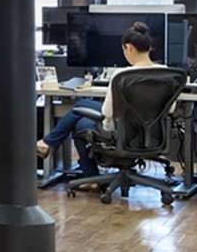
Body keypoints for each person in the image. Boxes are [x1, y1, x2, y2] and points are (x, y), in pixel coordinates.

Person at [36, 20, 164, 171]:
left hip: (122, 131)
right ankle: (48, 144)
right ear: (149, 48)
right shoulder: (165, 73)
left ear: (128, 48)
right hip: (153, 133)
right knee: (81, 110)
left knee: (80, 122)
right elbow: (170, 108)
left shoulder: (122, 75)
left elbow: (108, 112)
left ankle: (89, 175)